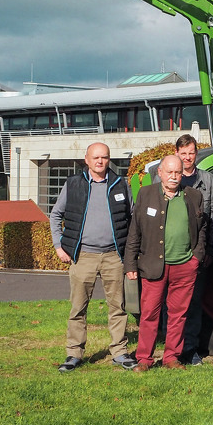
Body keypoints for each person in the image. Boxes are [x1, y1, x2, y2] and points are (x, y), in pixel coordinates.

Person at [49, 142, 136, 372]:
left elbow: (133, 217)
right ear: (86, 159)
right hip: (83, 255)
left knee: (118, 306)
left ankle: (119, 351)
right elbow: (56, 215)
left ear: (109, 160)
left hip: (113, 256)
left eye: (104, 157)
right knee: (78, 307)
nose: (100, 161)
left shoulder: (120, 184)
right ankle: (74, 354)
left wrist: (131, 253)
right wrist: (59, 246)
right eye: (95, 157)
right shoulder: (74, 184)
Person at [123, 154, 206, 371]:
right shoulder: (146, 194)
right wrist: (130, 264)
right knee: (149, 313)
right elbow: (135, 230)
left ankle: (171, 358)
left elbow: (202, 228)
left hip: (184, 266)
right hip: (153, 266)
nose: (174, 176)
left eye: (178, 172)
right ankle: (144, 359)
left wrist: (196, 257)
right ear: (159, 172)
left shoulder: (194, 196)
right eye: (169, 172)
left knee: (178, 315)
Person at [175, 134, 213, 365]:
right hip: (174, 251)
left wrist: (210, 250)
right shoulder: (167, 178)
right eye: (183, 153)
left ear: (196, 153)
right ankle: (172, 348)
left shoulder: (209, 180)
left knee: (194, 302)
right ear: (177, 154)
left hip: (199, 250)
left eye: (191, 153)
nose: (187, 157)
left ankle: (190, 349)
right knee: (173, 303)